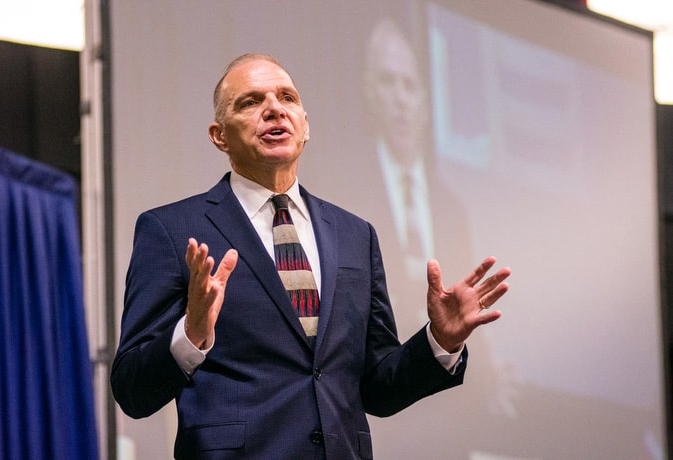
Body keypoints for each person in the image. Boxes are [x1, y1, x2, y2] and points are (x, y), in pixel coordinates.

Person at [111, 53, 510, 459]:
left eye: (287, 97)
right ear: (219, 136)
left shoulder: (356, 235)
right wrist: (190, 334)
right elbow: (132, 391)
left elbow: (378, 390)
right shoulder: (171, 229)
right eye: (250, 102)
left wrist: (440, 340)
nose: (274, 109)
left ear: (305, 127)